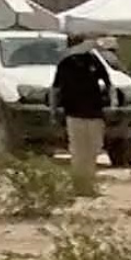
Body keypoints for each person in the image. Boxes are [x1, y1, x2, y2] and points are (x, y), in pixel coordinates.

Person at [53, 32, 113, 195]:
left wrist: (110, 103)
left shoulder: (93, 60)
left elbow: (107, 82)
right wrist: (55, 109)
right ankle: (80, 186)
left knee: (93, 149)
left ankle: (88, 183)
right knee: (79, 151)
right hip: (74, 113)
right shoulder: (65, 63)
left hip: (94, 112)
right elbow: (56, 88)